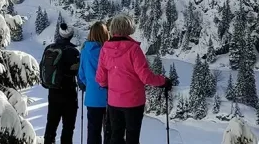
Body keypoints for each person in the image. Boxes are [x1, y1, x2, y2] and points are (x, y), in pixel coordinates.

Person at [95, 14, 172, 144]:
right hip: (133, 102)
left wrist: (110, 85)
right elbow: (146, 77)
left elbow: (100, 78)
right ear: (128, 28)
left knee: (116, 136)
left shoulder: (105, 49)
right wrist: (163, 81)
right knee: (132, 137)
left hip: (114, 102)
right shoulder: (134, 49)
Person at [42, 23, 81, 144]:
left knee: (51, 124)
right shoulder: (73, 51)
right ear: (71, 35)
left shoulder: (49, 48)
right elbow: (78, 72)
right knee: (68, 127)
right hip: (69, 93)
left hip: (53, 91)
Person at [78, 22, 112, 144]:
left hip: (92, 97)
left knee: (93, 131)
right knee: (111, 131)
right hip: (110, 97)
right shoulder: (108, 50)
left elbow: (81, 75)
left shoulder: (85, 51)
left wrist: (90, 85)